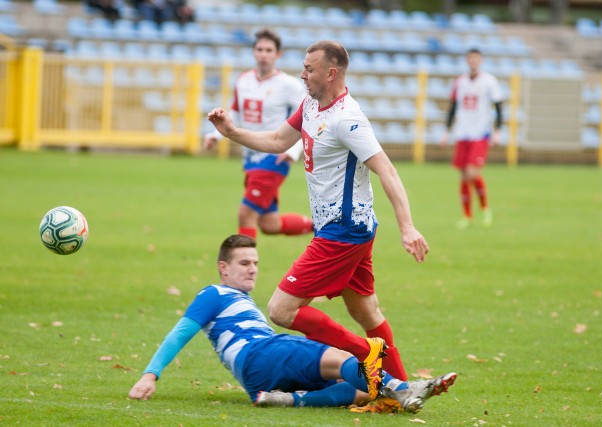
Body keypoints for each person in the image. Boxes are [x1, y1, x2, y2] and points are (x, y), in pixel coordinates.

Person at [207, 41, 429, 399]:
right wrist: (232, 133)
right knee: (366, 310)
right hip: (350, 228)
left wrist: (407, 226)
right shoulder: (311, 104)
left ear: (331, 73)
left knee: (281, 309)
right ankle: (403, 390)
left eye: (309, 69)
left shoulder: (349, 119)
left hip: (344, 231)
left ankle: (369, 356)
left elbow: (386, 170)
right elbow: (279, 140)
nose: (302, 73)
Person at [128, 234, 457, 413]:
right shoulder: (214, 293)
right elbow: (180, 333)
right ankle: (402, 388)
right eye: (244, 263)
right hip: (262, 353)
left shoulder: (240, 302)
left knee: (359, 394)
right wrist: (150, 375)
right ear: (222, 268)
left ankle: (289, 400)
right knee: (341, 359)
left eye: (255, 263)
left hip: (258, 378)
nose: (252, 269)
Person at [203, 29, 313, 241]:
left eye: (269, 50)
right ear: (254, 52)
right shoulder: (243, 80)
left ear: (277, 54)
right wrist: (215, 135)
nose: (264, 54)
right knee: (269, 224)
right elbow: (236, 111)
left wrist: (293, 151)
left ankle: (244, 270)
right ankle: (323, 228)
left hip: (273, 156)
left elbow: (307, 117)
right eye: (260, 49)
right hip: (251, 157)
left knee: (246, 215)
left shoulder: (289, 85)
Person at [440, 48, 504, 229]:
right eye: (470, 59)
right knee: (463, 176)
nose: (473, 62)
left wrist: (497, 130)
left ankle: (485, 209)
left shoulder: (490, 81)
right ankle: (467, 216)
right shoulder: (460, 82)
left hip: (480, 133)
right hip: (462, 132)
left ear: (481, 60)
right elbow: (453, 107)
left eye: (476, 59)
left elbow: (499, 107)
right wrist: (447, 131)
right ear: (467, 60)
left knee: (471, 173)